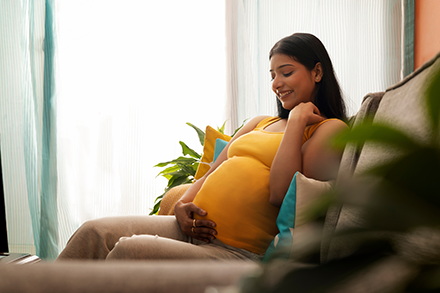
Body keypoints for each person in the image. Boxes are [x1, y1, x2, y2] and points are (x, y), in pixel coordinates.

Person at [57, 33, 348, 262]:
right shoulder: (260, 122)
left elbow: (282, 195)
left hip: (236, 254)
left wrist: (297, 122)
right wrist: (183, 206)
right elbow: (210, 173)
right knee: (92, 232)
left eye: (286, 72)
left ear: (317, 72)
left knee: (130, 251)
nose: (276, 84)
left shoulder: (330, 130)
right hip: (190, 234)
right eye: (272, 75)